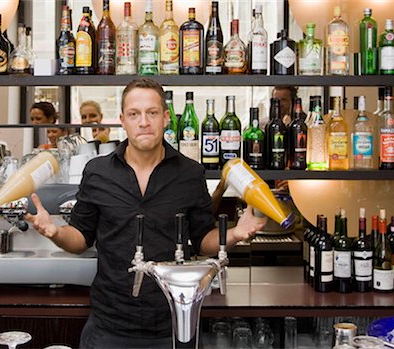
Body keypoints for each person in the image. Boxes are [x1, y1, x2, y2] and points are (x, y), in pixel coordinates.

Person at [25, 78, 266, 349]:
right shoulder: (97, 172)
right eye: (134, 114)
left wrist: (234, 233)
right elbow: (81, 238)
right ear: (122, 121)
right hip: (108, 325)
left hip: (171, 324)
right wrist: (55, 231)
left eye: (152, 113)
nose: (143, 122)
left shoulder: (190, 173)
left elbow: (202, 241)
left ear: (165, 118)